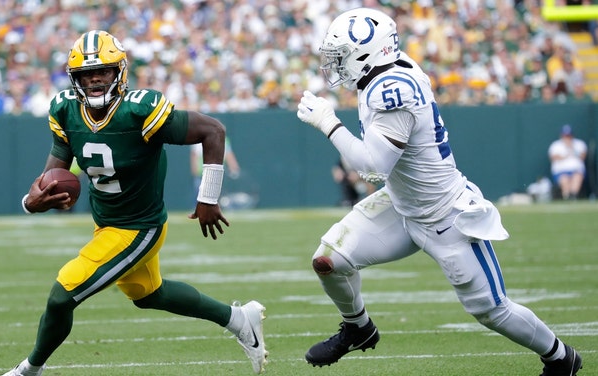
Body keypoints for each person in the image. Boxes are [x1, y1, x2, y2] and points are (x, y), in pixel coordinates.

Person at [296, 8, 582, 375]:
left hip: (443, 215)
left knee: (491, 310)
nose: (337, 66)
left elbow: (372, 167)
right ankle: (358, 327)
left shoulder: (391, 90)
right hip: (402, 206)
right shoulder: (386, 73)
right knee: (329, 260)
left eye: (343, 56)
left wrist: (328, 122)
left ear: (368, 53)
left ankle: (561, 358)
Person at [2, 30, 267, 376]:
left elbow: (213, 131)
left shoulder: (140, 110)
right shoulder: (65, 110)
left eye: (104, 71)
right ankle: (238, 319)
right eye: (86, 74)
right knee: (149, 294)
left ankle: (28, 370)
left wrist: (208, 197)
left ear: (120, 72)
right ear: (74, 78)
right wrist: (31, 201)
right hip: (106, 222)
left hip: (138, 227)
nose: (95, 79)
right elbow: (53, 174)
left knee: (62, 294)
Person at [190, 135, 240, 204]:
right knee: (199, 196)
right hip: (201, 173)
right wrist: (194, 169)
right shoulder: (199, 138)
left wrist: (234, 167)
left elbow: (229, 155)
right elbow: (194, 155)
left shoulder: (223, 139)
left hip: (215, 173)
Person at [548, 124, 587, 200]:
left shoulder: (579, 144)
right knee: (564, 178)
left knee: (577, 176)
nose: (567, 138)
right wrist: (565, 155)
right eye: (565, 136)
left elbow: (583, 156)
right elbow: (553, 157)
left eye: (569, 135)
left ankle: (573, 196)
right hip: (561, 171)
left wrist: (572, 148)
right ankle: (567, 196)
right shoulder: (556, 145)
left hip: (576, 170)